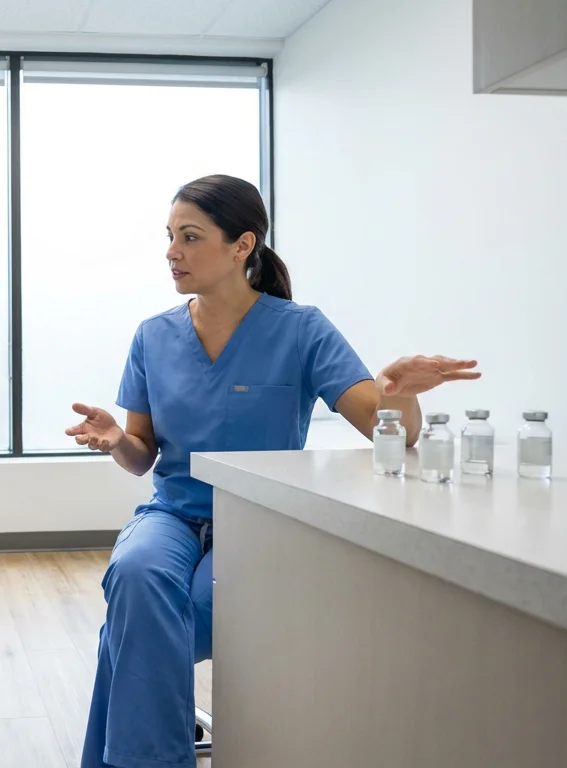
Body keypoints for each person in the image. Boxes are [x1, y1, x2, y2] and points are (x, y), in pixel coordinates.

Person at [68, 174, 480, 768]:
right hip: (173, 514)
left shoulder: (301, 329)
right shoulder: (152, 336)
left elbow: (389, 428)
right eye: (169, 237)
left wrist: (399, 395)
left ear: (242, 245)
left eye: (189, 237)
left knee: (147, 625)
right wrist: (115, 441)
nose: (171, 252)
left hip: (259, 519)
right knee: (135, 575)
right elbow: (142, 456)